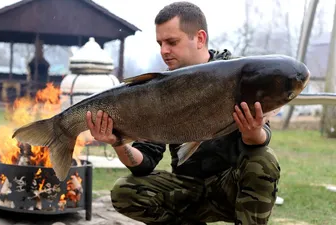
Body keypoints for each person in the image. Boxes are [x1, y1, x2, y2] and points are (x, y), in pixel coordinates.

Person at [85, 2, 280, 225]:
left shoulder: (236, 73)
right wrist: (118, 142)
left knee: (263, 160)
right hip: (188, 189)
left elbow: (261, 138)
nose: (163, 51)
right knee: (126, 191)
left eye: (172, 42)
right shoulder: (158, 89)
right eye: (160, 43)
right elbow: (145, 162)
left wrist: (252, 132)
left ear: (200, 38)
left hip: (230, 187)